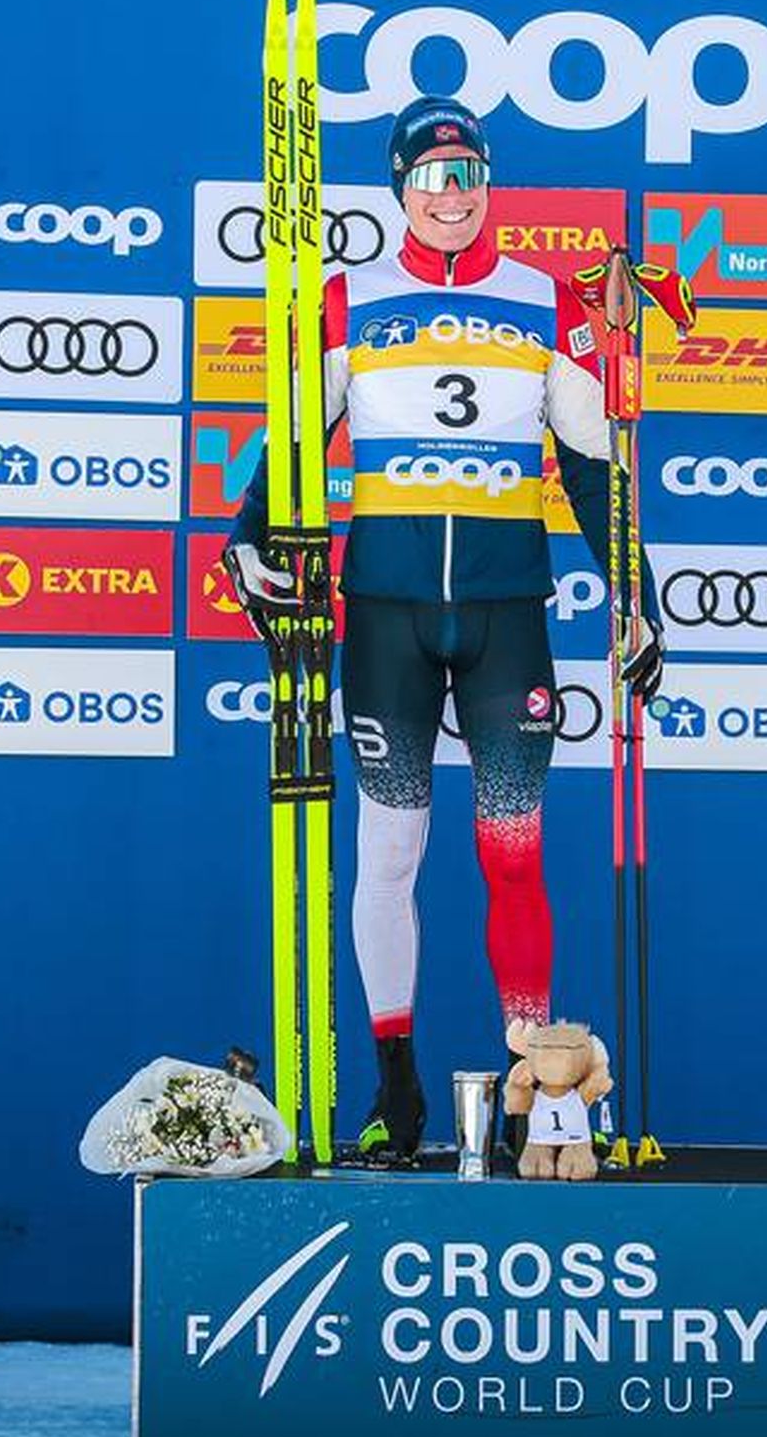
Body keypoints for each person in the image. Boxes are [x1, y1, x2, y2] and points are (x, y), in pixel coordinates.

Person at [224, 96, 663, 1163]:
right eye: (432, 177)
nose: (452, 195)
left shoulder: (545, 299)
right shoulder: (348, 300)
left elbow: (594, 464)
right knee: (389, 853)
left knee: (513, 853)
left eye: (468, 175)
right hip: (387, 616)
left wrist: (638, 597)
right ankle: (398, 1092)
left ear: (488, 186)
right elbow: (294, 439)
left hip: (508, 612)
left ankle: (536, 1092)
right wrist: (247, 540)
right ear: (400, 189)